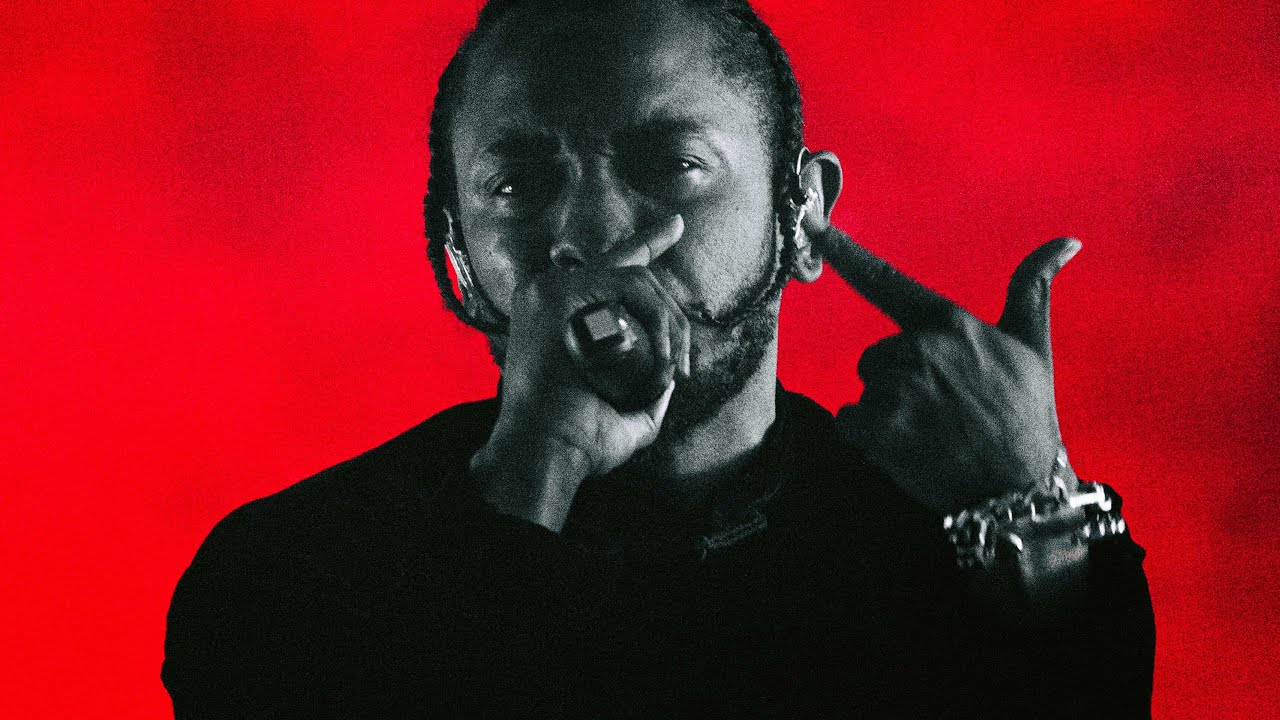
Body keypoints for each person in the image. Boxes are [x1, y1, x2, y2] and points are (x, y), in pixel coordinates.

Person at [163, 0, 1155, 717]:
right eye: (517, 184)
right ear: (453, 251)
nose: (592, 232)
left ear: (802, 214)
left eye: (673, 164)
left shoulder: (956, 543)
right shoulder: (290, 574)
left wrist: (1032, 516)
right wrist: (537, 465)